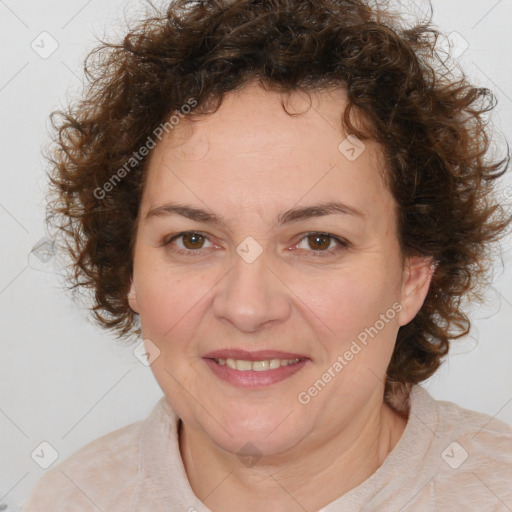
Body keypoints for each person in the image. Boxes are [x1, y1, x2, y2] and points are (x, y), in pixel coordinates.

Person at [23, 0, 512, 510]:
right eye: (192, 239)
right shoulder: (70, 498)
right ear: (130, 271)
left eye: (319, 241)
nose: (248, 308)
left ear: (411, 278)